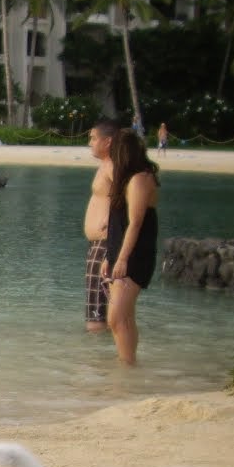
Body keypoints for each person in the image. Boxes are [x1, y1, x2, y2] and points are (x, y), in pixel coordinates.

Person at [103, 129, 160, 366]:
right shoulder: (128, 179)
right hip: (121, 252)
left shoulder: (139, 179)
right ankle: (127, 362)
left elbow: (135, 223)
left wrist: (123, 258)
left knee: (117, 318)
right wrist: (110, 256)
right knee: (122, 317)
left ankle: (127, 365)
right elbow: (118, 224)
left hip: (134, 255)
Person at [82, 118, 118, 334]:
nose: (90, 143)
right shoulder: (105, 165)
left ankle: (96, 359)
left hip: (105, 242)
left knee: (96, 310)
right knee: (100, 303)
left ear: (108, 142)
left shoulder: (112, 166)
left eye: (93, 138)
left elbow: (127, 195)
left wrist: (111, 223)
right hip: (101, 243)